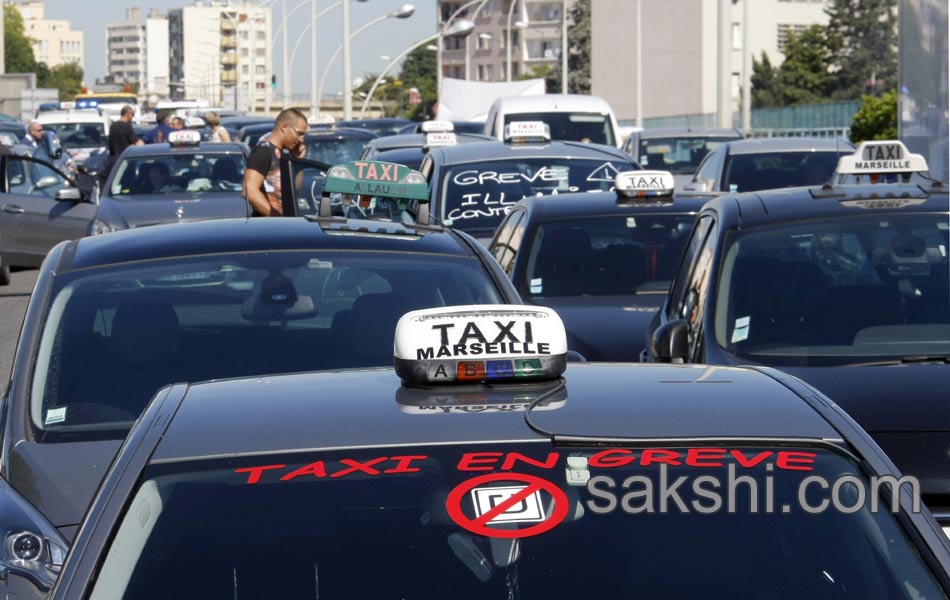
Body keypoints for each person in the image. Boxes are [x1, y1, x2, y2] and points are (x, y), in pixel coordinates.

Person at [243, 107, 308, 217]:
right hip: (268, 229)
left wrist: (298, 160)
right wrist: (277, 218)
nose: (301, 139)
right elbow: (249, 191)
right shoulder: (263, 151)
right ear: (284, 127)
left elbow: (294, 189)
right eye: (299, 133)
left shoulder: (281, 154)